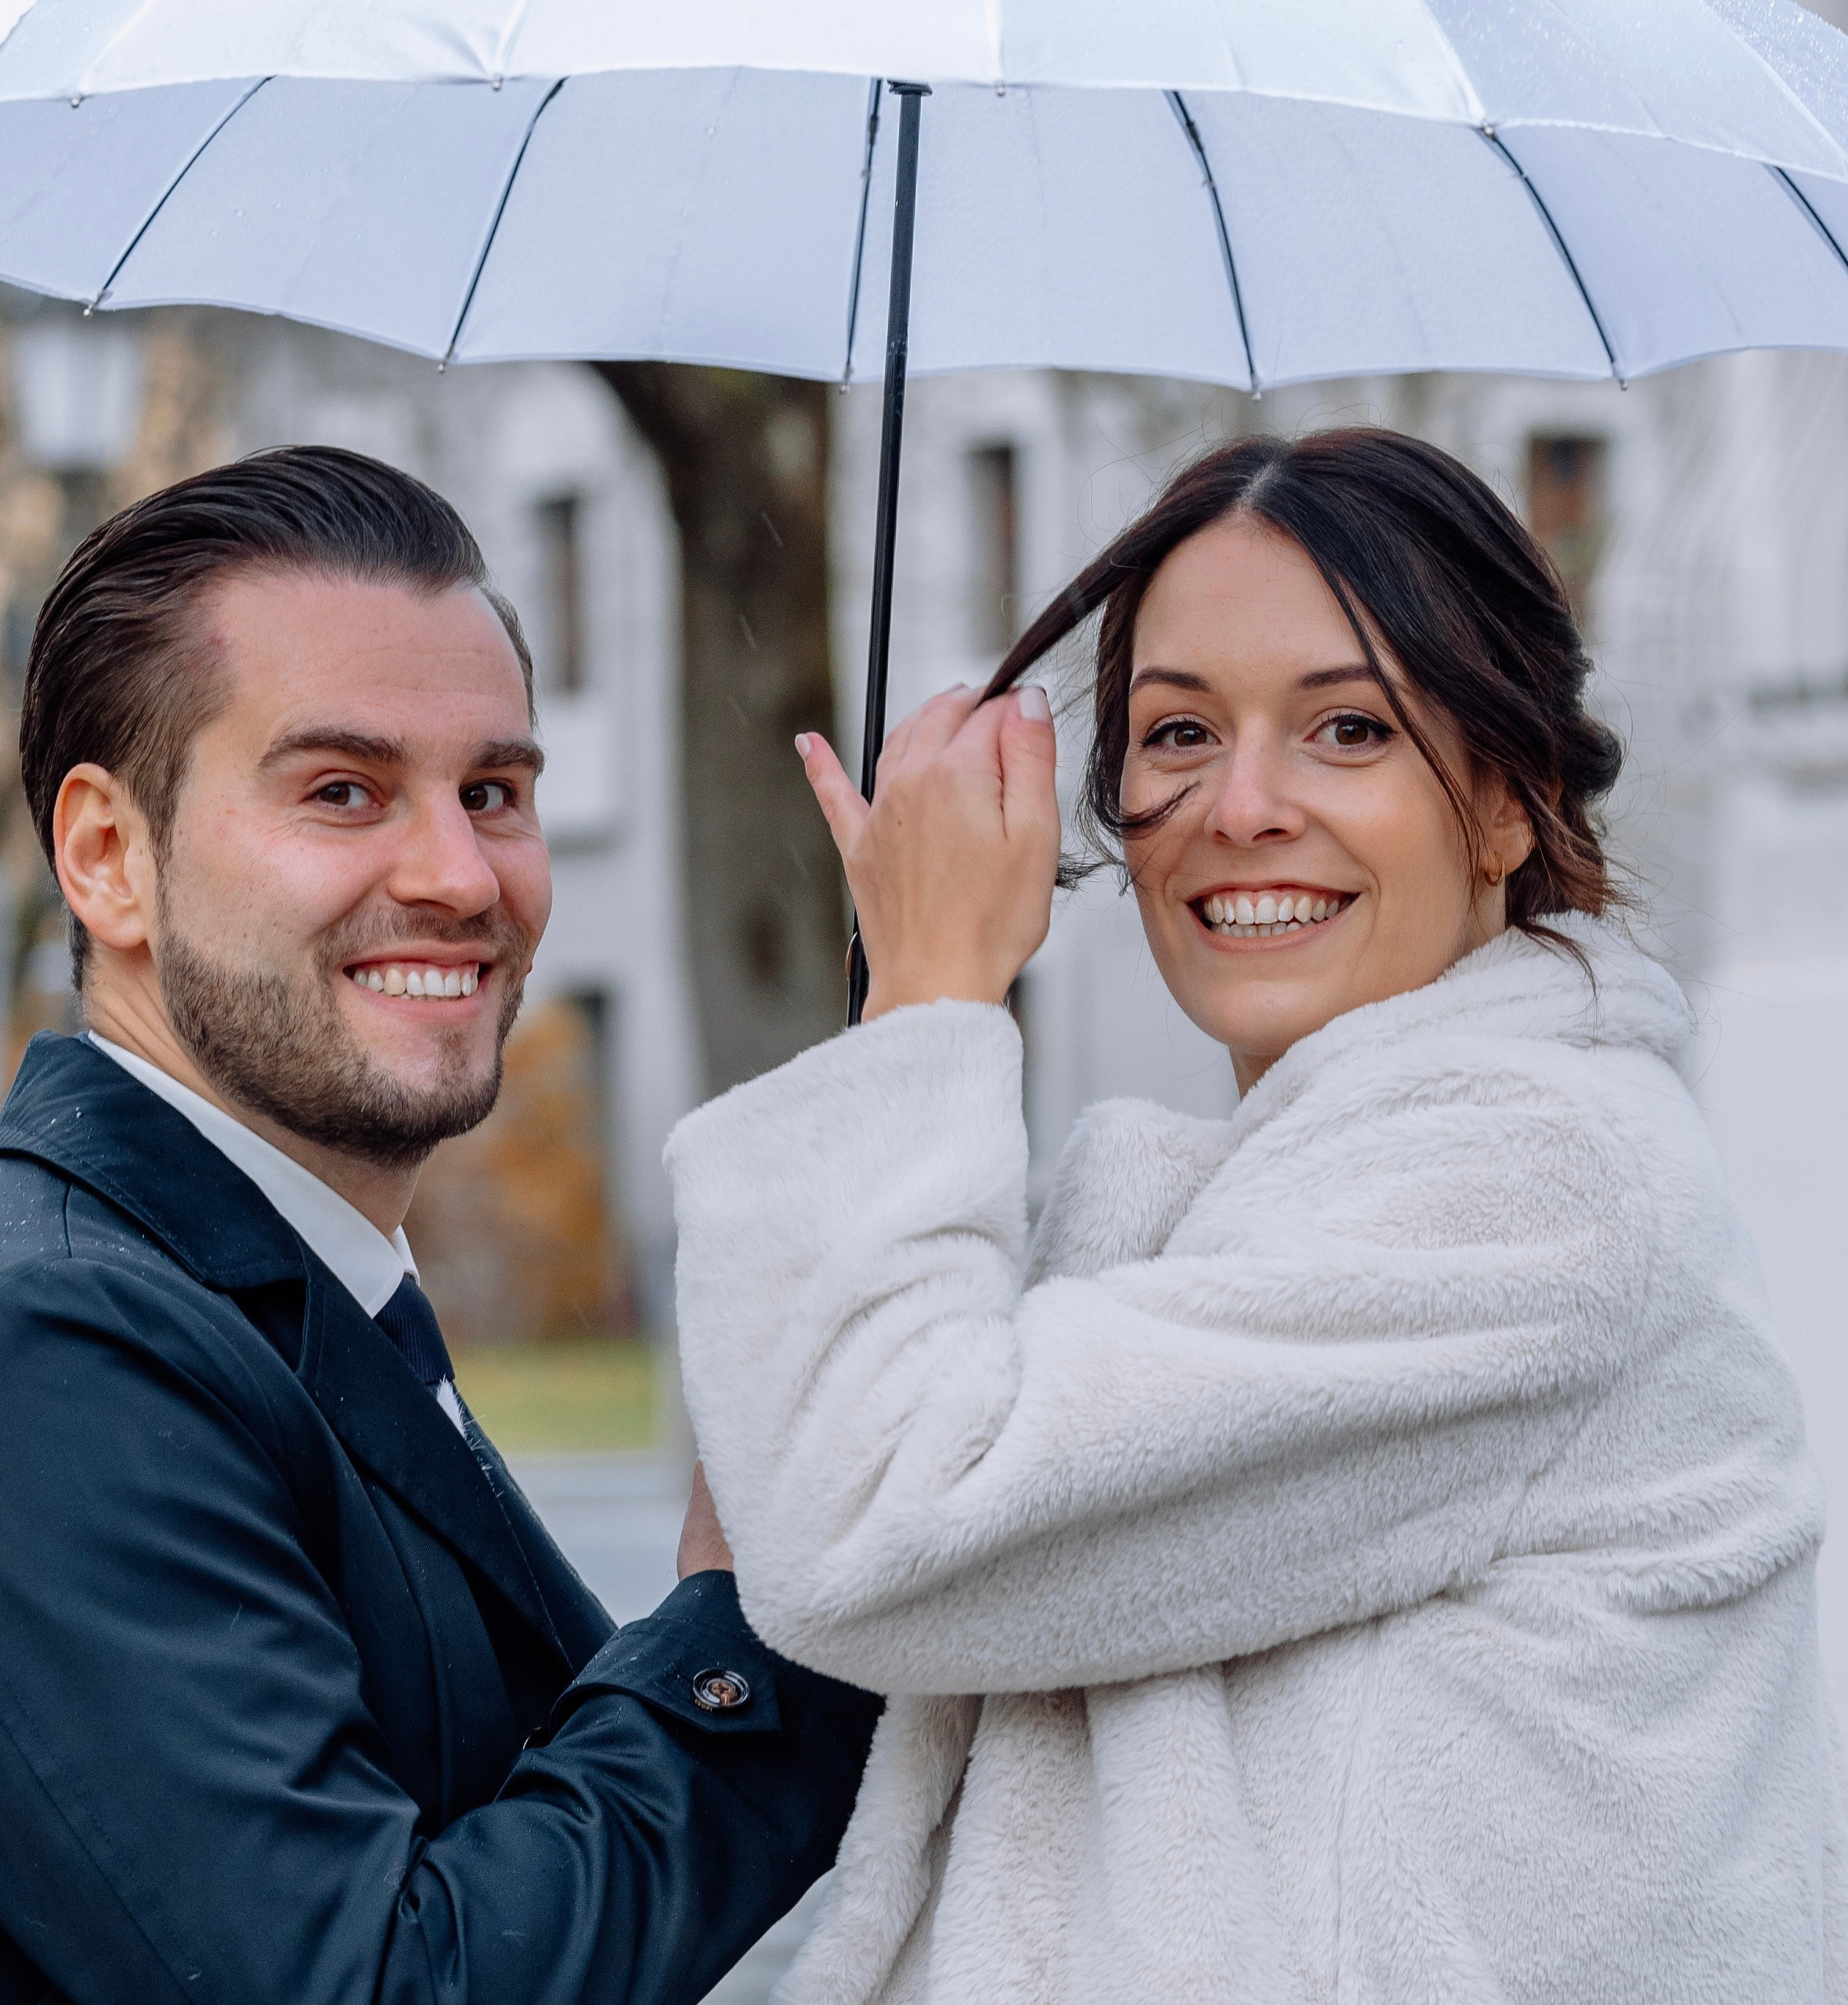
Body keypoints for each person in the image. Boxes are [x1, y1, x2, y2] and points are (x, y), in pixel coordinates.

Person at [666, 428, 1847, 2002]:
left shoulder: (1538, 1182)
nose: (1239, 805)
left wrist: (931, 997)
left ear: (1507, 801)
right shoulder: (1250, 1205)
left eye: (1346, 728)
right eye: (1171, 734)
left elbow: (887, 1524)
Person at [0, 446, 879, 2003]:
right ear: (108, 855)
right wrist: (736, 1628)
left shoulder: (284, 1294)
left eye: (493, 792)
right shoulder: (35, 1352)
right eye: (343, 790)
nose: (459, 875)